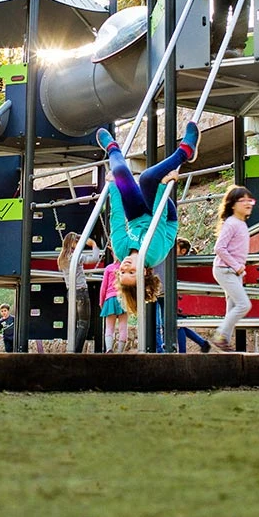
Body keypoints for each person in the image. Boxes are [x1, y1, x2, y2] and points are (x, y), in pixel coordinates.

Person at [96, 120, 200, 315]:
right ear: (144, 272)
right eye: (131, 272)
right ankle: (185, 152)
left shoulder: (120, 251)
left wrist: (112, 186)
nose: (125, 267)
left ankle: (112, 148)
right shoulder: (153, 254)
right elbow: (159, 219)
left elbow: (117, 219)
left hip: (136, 216)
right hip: (162, 216)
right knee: (147, 179)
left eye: (122, 272)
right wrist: (162, 187)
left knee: (119, 172)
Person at [210, 185, 256, 352]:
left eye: (249, 200)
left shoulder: (241, 223)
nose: (247, 203)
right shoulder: (231, 223)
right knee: (244, 305)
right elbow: (219, 248)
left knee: (231, 307)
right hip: (225, 270)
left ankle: (224, 343)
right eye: (242, 200)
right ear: (232, 205)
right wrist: (237, 266)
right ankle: (219, 336)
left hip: (234, 272)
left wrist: (239, 269)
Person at [58, 232, 104, 353]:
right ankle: (76, 351)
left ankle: (72, 349)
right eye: (77, 241)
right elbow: (94, 259)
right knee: (83, 324)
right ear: (73, 243)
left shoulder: (62, 257)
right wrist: (94, 245)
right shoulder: (75, 256)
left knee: (75, 322)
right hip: (81, 291)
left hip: (71, 292)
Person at [174, 237, 211, 354]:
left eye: (176, 248)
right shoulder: (181, 263)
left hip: (182, 297)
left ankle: (183, 352)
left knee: (178, 325)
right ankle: (202, 343)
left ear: (183, 251)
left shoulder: (182, 264)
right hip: (182, 296)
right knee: (180, 325)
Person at [98, 248, 128, 353]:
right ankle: (120, 351)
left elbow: (103, 287)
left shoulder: (108, 268)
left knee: (109, 326)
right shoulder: (126, 269)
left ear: (112, 254)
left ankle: (109, 349)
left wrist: (101, 301)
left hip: (110, 299)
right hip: (123, 299)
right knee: (123, 326)